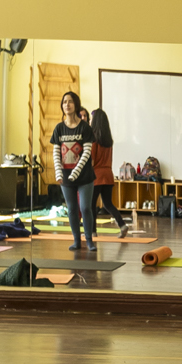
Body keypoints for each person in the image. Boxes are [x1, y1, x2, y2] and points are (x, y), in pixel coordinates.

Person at [51, 90, 96, 253]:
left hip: (84, 177)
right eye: (64, 102)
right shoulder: (59, 128)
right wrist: (58, 172)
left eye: (70, 101)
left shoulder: (85, 127)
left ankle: (89, 239)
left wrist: (76, 171)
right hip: (66, 177)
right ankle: (76, 240)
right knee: (71, 209)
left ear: (76, 105)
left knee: (85, 208)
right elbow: (56, 152)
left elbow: (87, 152)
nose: (67, 105)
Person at [87, 108, 126, 229]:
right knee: (108, 204)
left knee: (91, 204)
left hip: (96, 176)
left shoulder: (93, 140)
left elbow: (92, 161)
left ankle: (92, 231)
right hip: (108, 174)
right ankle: (122, 224)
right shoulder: (109, 141)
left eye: (91, 119)